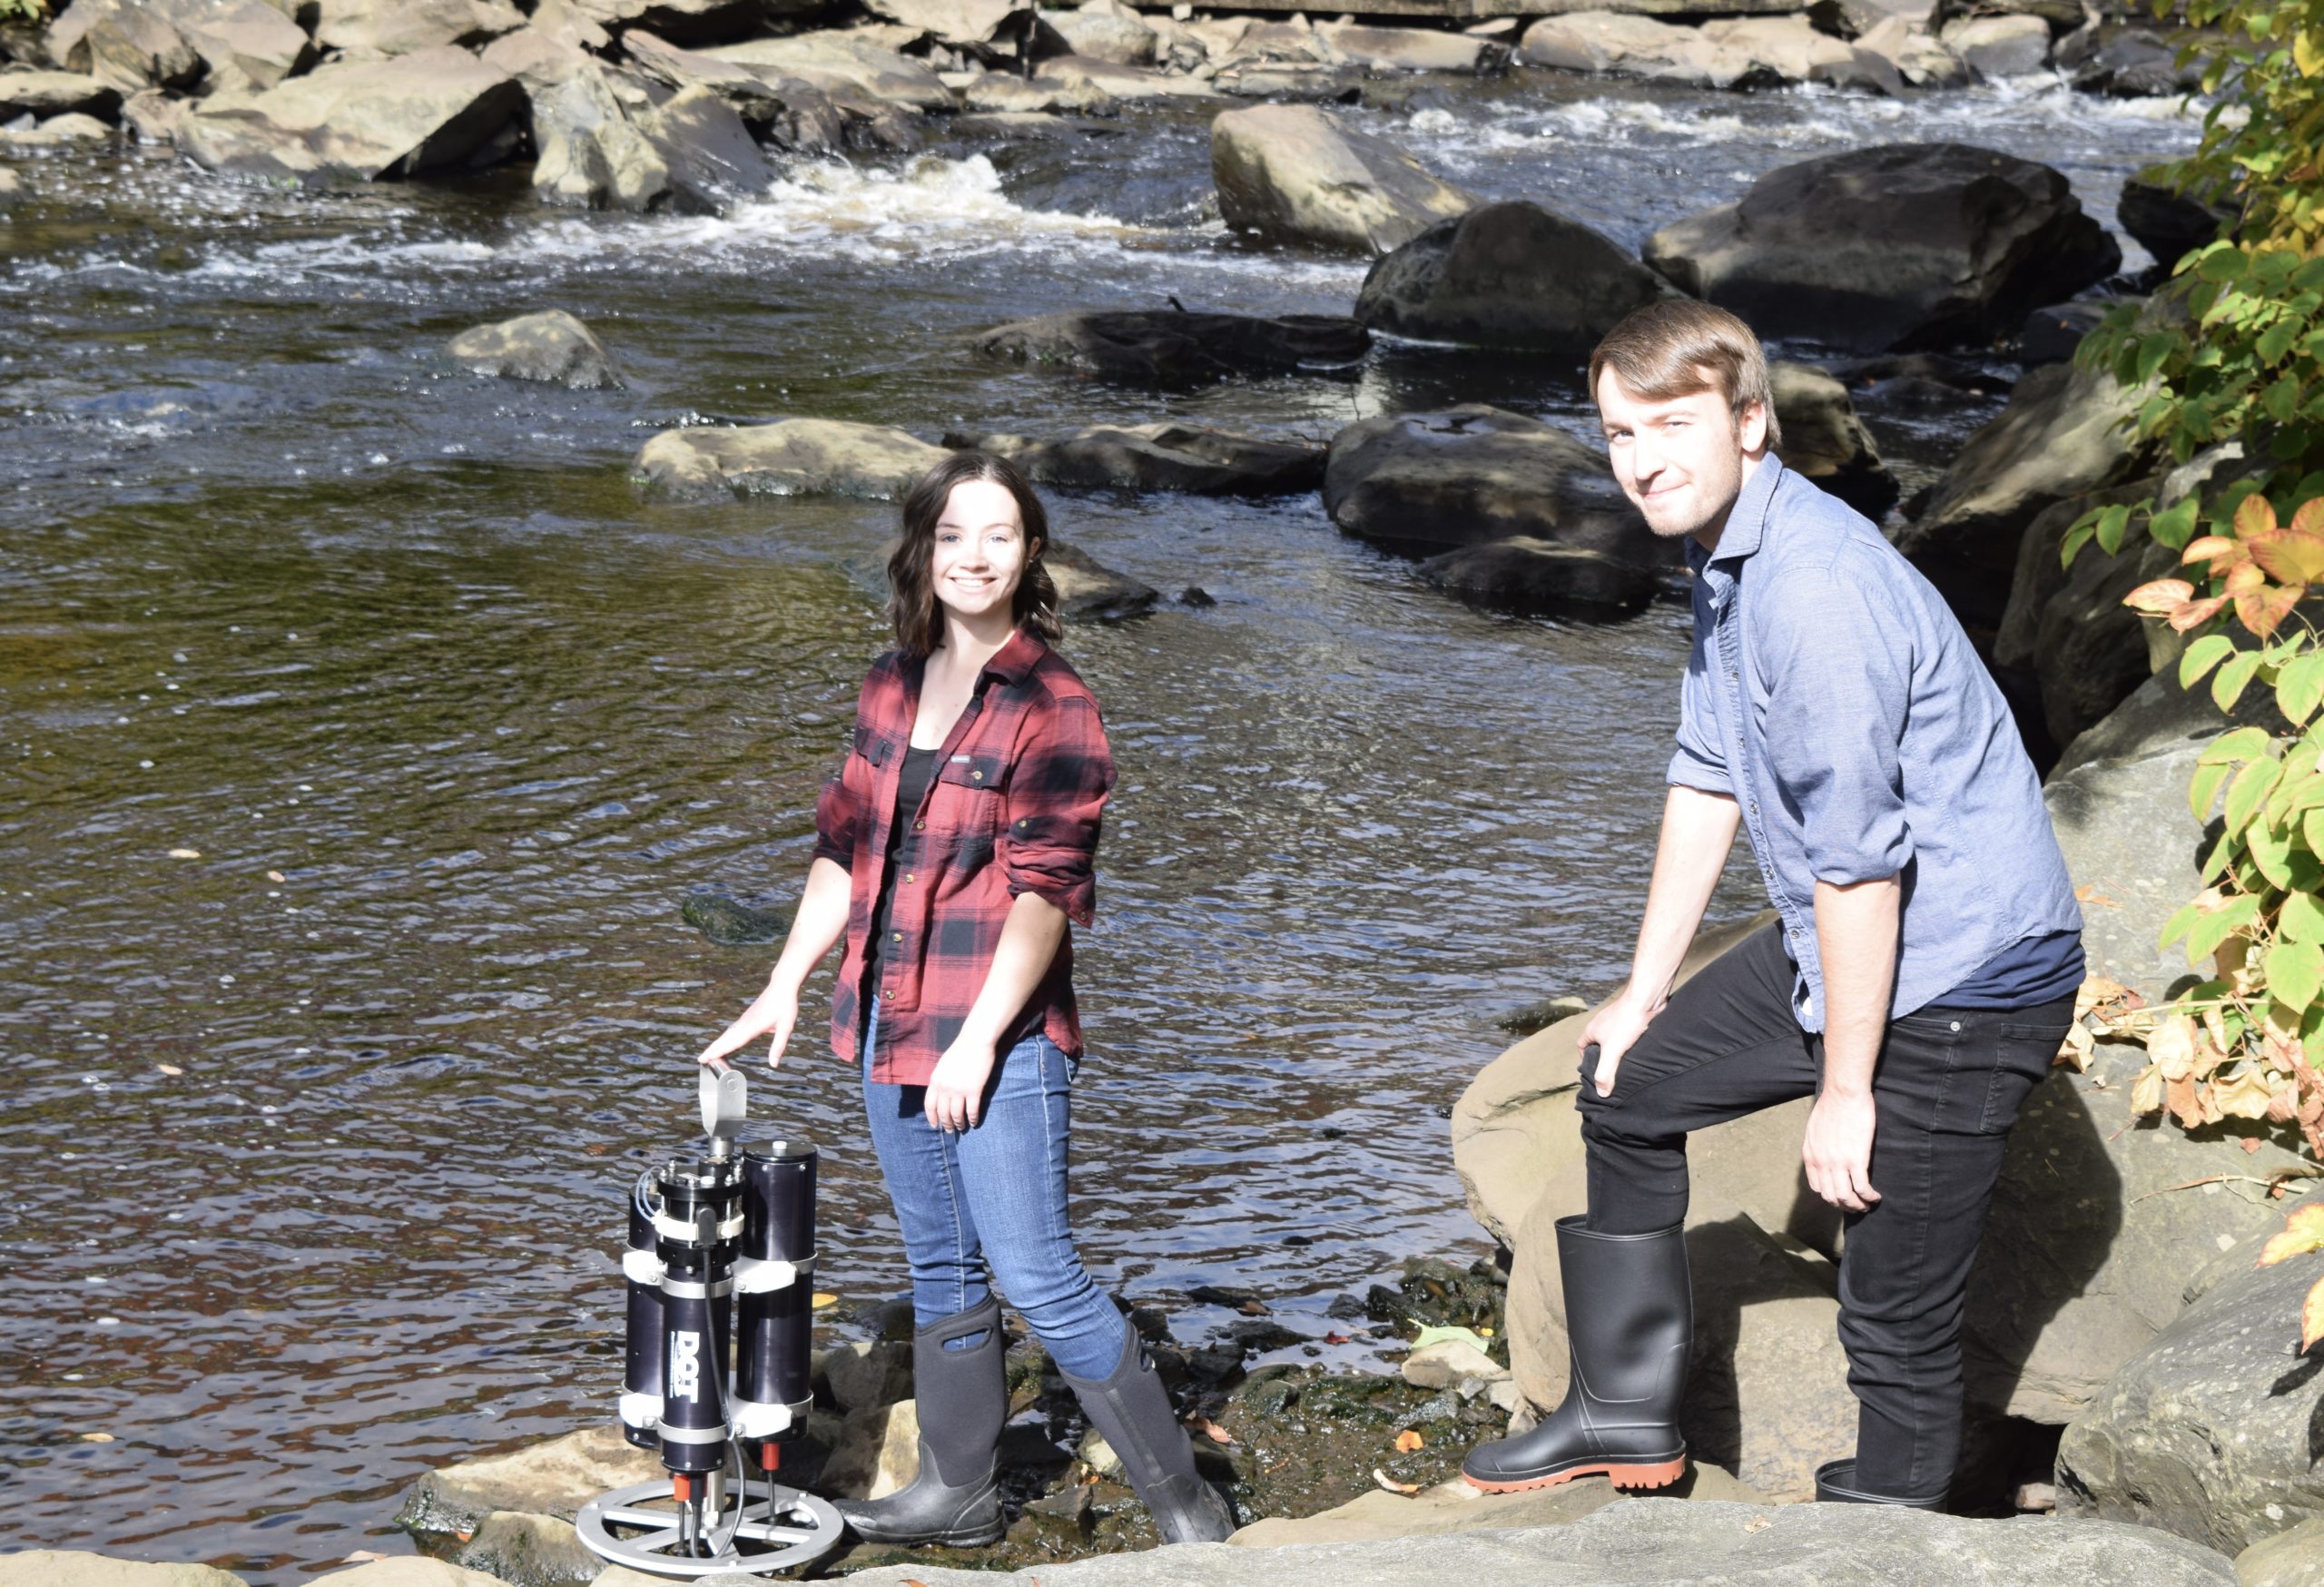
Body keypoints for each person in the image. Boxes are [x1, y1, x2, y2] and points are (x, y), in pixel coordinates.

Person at [1460, 301, 2083, 1508]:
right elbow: (1706, 773)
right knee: (1626, 1088)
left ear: (1752, 423)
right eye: (1618, 432)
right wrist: (1641, 994)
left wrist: (1847, 1094)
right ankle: (1622, 1416)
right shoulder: (1725, 551)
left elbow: (1862, 869)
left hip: (1968, 979)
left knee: (1892, 1316)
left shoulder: (1816, 593)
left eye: (1673, 425)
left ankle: (1885, 1532)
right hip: (1851, 942)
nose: (1642, 459)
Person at [696, 452, 1235, 1549]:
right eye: (953, 535)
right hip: (889, 1020)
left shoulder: (1056, 705)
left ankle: (1190, 1509)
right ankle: (962, 1491)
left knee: (1038, 1272)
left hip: (1000, 1037)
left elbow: (1046, 899)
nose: (974, 556)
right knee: (938, 1263)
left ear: (1030, 553)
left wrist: (978, 1043)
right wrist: (782, 980)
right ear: (923, 550)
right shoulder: (893, 680)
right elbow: (843, 852)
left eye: (998, 535)